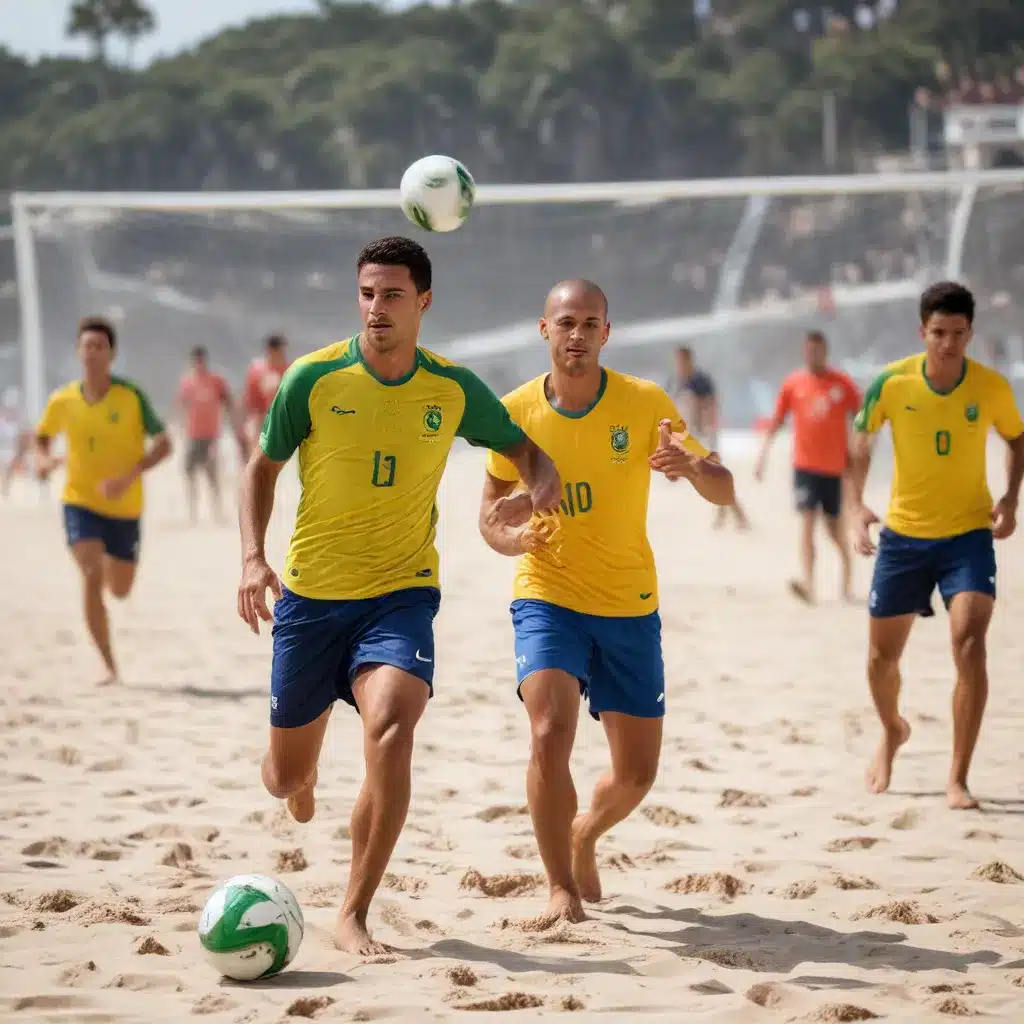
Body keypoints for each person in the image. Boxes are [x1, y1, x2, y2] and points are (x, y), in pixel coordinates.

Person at [236, 237, 561, 954]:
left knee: (391, 725)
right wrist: (254, 558)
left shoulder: (451, 388)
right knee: (283, 773)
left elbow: (527, 452)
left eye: (390, 295)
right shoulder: (314, 379)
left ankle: (353, 909)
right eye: (366, 294)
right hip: (311, 599)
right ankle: (302, 776)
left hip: (400, 595)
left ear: (424, 302)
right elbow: (261, 470)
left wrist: (537, 494)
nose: (375, 308)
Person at [479, 280, 735, 924]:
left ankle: (584, 833)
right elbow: (487, 516)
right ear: (544, 331)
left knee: (636, 776)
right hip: (549, 596)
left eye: (590, 323)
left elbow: (726, 489)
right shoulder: (511, 415)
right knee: (548, 730)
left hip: (628, 603)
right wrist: (511, 537)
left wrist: (692, 468)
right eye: (565, 322)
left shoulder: (644, 403)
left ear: (606, 333)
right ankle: (559, 885)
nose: (577, 334)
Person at [849, 281, 1024, 811]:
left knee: (969, 645)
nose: (948, 344)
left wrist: (1011, 499)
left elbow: (1017, 438)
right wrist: (857, 508)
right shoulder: (892, 383)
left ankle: (958, 777)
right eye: (939, 333)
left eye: (959, 334)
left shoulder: (990, 387)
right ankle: (892, 731)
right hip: (903, 537)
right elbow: (861, 442)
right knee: (882, 661)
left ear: (971, 332)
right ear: (922, 331)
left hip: (967, 536)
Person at [35, 316, 172, 684]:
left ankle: (112, 574)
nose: (93, 353)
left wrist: (129, 476)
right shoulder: (62, 400)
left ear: (111, 354)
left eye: (100, 346)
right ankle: (107, 664)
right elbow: (42, 436)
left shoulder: (130, 396)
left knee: (120, 589)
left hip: (125, 508)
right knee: (91, 574)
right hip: (79, 501)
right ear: (78, 352)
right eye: (87, 346)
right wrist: (44, 459)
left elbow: (164, 444)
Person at [754, 330, 860, 603]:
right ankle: (809, 584)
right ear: (804, 352)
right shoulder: (794, 383)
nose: (814, 355)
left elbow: (862, 418)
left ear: (825, 351)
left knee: (835, 530)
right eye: (809, 350)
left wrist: (858, 452)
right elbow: (777, 420)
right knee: (807, 521)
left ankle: (847, 580)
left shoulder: (842, 383)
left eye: (818, 350)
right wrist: (762, 456)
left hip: (834, 468)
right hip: (805, 466)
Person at [668, 345, 749, 530]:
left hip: (705, 437)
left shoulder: (700, 381)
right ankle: (725, 514)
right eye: (677, 362)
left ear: (689, 360)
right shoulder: (676, 382)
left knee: (714, 476)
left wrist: (707, 432)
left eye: (682, 361)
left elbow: (711, 406)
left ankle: (737, 516)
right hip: (689, 438)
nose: (680, 365)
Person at [177, 345, 241, 524]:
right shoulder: (187, 382)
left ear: (205, 361)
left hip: (211, 435)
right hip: (192, 434)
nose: (199, 364)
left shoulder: (216, 381)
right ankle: (192, 512)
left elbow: (228, 402)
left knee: (212, 474)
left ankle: (217, 511)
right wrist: (180, 428)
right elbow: (182, 406)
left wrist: (234, 424)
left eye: (201, 360)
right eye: (196, 361)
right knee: (189, 472)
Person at [242, 333, 290, 457]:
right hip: (262, 418)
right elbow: (250, 397)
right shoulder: (258, 370)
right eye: (280, 350)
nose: (283, 354)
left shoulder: (289, 369)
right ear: (271, 350)